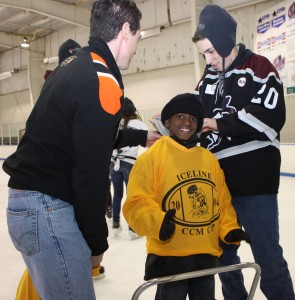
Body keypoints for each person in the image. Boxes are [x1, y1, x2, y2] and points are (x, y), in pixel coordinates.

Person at [2, 1, 145, 299]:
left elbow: (77, 137)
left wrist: (140, 137)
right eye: (138, 37)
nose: (136, 47)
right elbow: (90, 175)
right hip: (48, 209)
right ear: (125, 31)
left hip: (28, 205)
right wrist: (97, 243)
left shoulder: (73, 66)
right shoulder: (102, 81)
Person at [192, 4, 295, 300]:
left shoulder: (260, 68)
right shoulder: (207, 80)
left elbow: (270, 117)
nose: (208, 60)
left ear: (226, 42)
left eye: (212, 51)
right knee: (224, 257)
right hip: (218, 186)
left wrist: (217, 123)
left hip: (255, 183)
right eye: (204, 54)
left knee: (267, 255)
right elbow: (200, 120)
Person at [123, 93, 251, 300]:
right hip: (169, 256)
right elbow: (137, 203)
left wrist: (229, 229)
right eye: (179, 117)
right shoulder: (151, 158)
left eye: (193, 119)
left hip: (205, 254)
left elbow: (221, 201)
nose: (186, 123)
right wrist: (158, 222)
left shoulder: (208, 159)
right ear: (167, 122)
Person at [110, 97, 148, 239]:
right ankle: (133, 229)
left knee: (117, 195)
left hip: (114, 164)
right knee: (132, 197)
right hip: (129, 164)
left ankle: (115, 224)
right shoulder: (138, 124)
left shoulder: (115, 124)